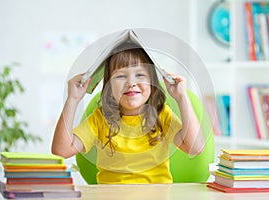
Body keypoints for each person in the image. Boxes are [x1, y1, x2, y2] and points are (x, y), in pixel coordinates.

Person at [51, 43, 205, 184]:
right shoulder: (100, 119)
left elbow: (195, 147)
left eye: (140, 75)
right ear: (109, 87)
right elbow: (61, 150)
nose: (131, 83)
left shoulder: (161, 115)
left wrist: (181, 97)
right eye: (121, 76)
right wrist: (73, 99)